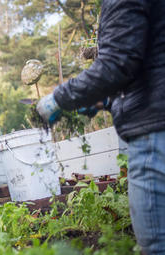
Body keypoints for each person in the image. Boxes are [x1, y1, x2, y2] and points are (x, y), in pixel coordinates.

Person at [36, 1, 165, 253]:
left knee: (157, 245)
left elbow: (117, 62)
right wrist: (110, 101)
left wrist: (58, 99)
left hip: (154, 133)